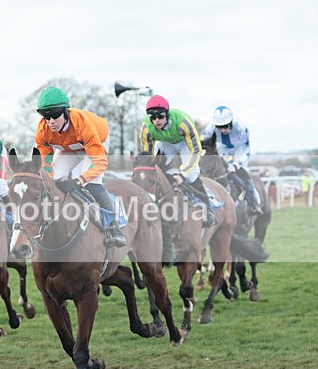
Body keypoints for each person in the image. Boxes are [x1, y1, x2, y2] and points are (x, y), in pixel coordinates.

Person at [34, 86, 127, 248]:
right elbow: (45, 163)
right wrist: (48, 176)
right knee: (52, 180)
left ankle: (113, 226)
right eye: (45, 116)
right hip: (69, 147)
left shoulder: (83, 125)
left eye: (55, 115)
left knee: (91, 182)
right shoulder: (43, 130)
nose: (51, 122)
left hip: (96, 141)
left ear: (66, 111)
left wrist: (79, 181)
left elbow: (100, 164)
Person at [139, 94, 216, 228]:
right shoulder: (146, 128)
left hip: (184, 143)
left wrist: (183, 174)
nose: (157, 120)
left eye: (160, 116)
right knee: (159, 171)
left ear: (167, 114)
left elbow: (195, 151)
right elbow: (148, 156)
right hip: (166, 143)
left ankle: (208, 209)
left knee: (191, 174)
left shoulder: (183, 123)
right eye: (152, 117)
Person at [201, 105, 262, 214]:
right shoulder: (210, 129)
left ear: (231, 122)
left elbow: (246, 151)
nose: (222, 130)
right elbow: (207, 146)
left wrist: (236, 164)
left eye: (225, 126)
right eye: (219, 127)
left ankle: (254, 202)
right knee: (218, 167)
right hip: (223, 147)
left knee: (240, 172)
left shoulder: (241, 128)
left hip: (239, 149)